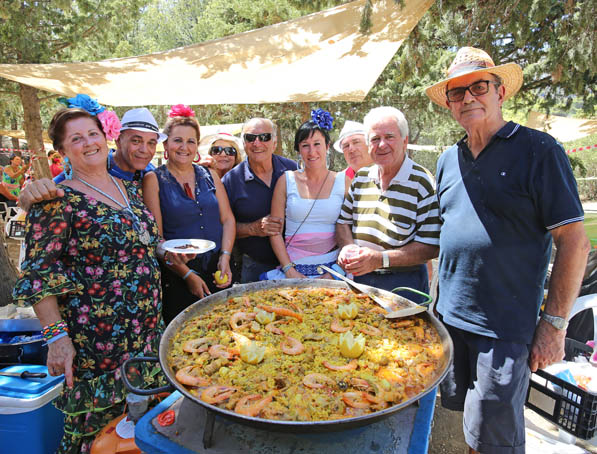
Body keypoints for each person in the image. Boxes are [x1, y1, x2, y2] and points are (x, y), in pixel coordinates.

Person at [425, 46, 590, 454]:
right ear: (448, 104)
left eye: (478, 87)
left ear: (500, 92)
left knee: (495, 440)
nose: (467, 99)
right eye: (456, 93)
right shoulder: (449, 159)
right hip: (448, 321)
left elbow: (574, 242)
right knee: (466, 428)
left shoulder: (539, 150)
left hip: (502, 331)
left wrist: (554, 325)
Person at [12, 106, 167, 454]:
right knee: (102, 437)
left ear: (105, 136)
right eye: (76, 139)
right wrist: (56, 338)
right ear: (63, 151)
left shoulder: (128, 187)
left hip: (145, 333)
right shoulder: (56, 199)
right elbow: (39, 273)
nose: (88, 143)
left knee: (141, 433)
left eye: (93, 134)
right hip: (98, 343)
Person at [335, 106, 440, 302]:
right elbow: (342, 222)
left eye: (389, 136)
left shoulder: (423, 182)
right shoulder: (361, 179)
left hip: (404, 283)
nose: (382, 144)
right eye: (375, 139)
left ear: (405, 140)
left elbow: (430, 246)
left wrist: (380, 259)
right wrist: (347, 247)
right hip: (361, 280)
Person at [143, 106, 235, 323]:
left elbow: (228, 219)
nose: (184, 147)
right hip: (177, 275)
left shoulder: (211, 175)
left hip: (218, 268)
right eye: (177, 140)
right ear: (165, 144)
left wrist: (226, 257)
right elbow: (156, 238)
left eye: (191, 141)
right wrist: (186, 274)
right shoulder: (153, 180)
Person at [18, 104, 167, 210]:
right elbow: (53, 188)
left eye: (151, 143)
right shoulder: (96, 165)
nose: (144, 150)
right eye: (136, 141)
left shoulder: (149, 171)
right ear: (118, 140)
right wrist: (29, 196)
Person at [267, 113, 350, 279]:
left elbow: (351, 230)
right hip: (293, 267)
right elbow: (274, 230)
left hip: (334, 268)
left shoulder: (343, 181)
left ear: (327, 146)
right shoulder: (286, 180)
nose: (312, 151)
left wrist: (337, 271)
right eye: (305, 145)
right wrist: (289, 269)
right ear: (299, 150)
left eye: (317, 144)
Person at [222, 117, 297, 283]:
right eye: (250, 138)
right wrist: (253, 228)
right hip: (255, 266)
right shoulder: (230, 181)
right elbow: (222, 227)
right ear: (243, 143)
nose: (257, 143)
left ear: (274, 143)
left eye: (264, 137)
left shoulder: (292, 170)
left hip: (297, 262)